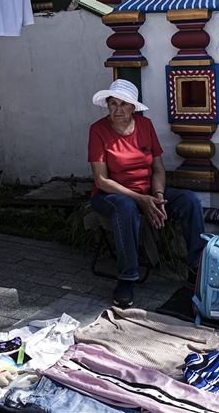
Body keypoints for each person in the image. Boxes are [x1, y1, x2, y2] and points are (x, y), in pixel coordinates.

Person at [88, 79, 206, 308]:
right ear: (108, 106)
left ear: (133, 107)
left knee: (190, 200)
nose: (118, 109)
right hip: (110, 195)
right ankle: (127, 278)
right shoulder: (98, 130)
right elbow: (101, 180)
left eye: (124, 104)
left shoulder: (145, 126)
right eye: (113, 103)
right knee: (126, 207)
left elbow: (158, 169)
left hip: (147, 191)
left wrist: (158, 196)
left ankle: (196, 269)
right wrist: (141, 200)